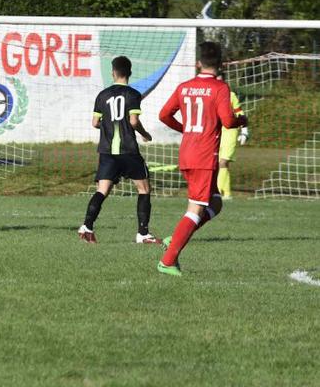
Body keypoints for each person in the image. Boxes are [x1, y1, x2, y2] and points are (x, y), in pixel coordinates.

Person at [156, 42, 247, 276]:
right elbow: (228, 121)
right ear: (221, 64)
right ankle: (167, 261)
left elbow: (164, 115)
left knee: (215, 203)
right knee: (195, 209)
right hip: (204, 156)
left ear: (198, 63)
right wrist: (241, 120)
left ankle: (176, 238)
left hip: (189, 152)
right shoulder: (220, 88)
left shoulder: (184, 87)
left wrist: (184, 128)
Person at [77, 56, 163, 245]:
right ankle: (142, 234)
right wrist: (145, 133)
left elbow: (95, 123)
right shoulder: (133, 94)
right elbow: (133, 121)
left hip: (107, 151)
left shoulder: (102, 95)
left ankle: (87, 226)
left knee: (102, 190)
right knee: (144, 189)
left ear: (113, 72)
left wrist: (108, 126)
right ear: (129, 72)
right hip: (128, 150)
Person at [216, 74, 248, 200]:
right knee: (221, 164)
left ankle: (217, 193)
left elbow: (240, 113)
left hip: (230, 132)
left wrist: (244, 131)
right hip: (217, 133)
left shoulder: (231, 95)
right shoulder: (211, 94)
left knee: (223, 162)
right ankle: (227, 193)